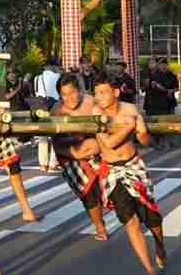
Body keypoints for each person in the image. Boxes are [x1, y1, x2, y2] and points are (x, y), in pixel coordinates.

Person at [92, 71, 167, 275]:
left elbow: (145, 142)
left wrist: (142, 132)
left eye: (103, 92)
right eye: (96, 93)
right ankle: (149, 270)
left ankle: (160, 247)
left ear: (116, 92)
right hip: (112, 171)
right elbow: (108, 143)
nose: (99, 97)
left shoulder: (130, 108)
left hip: (134, 166)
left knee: (153, 221)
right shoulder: (95, 114)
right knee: (131, 222)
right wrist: (129, 127)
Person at [51, 74, 108, 241]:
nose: (70, 98)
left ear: (80, 91)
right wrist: (76, 152)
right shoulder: (56, 110)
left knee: (107, 189)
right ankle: (99, 225)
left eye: (73, 93)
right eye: (64, 94)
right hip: (69, 155)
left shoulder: (92, 102)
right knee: (88, 194)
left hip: (96, 151)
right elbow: (56, 143)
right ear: (60, 95)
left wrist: (94, 144)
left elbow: (107, 126)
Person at [144, 58, 179, 150]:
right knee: (155, 124)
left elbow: (176, 87)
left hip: (168, 102)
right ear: (158, 66)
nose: (163, 66)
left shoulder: (172, 75)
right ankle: (157, 143)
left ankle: (167, 143)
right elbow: (149, 88)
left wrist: (170, 90)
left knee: (167, 123)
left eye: (165, 64)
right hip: (155, 103)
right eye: (161, 64)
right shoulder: (153, 75)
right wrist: (149, 84)